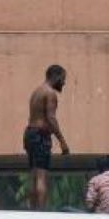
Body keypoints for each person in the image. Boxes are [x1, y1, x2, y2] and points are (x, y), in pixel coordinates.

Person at [25, 65, 71, 210]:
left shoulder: (36, 92)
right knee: (41, 175)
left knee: (34, 175)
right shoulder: (50, 93)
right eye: (63, 79)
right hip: (40, 135)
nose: (63, 83)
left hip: (30, 133)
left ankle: (33, 210)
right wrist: (62, 141)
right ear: (56, 76)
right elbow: (51, 118)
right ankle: (41, 213)